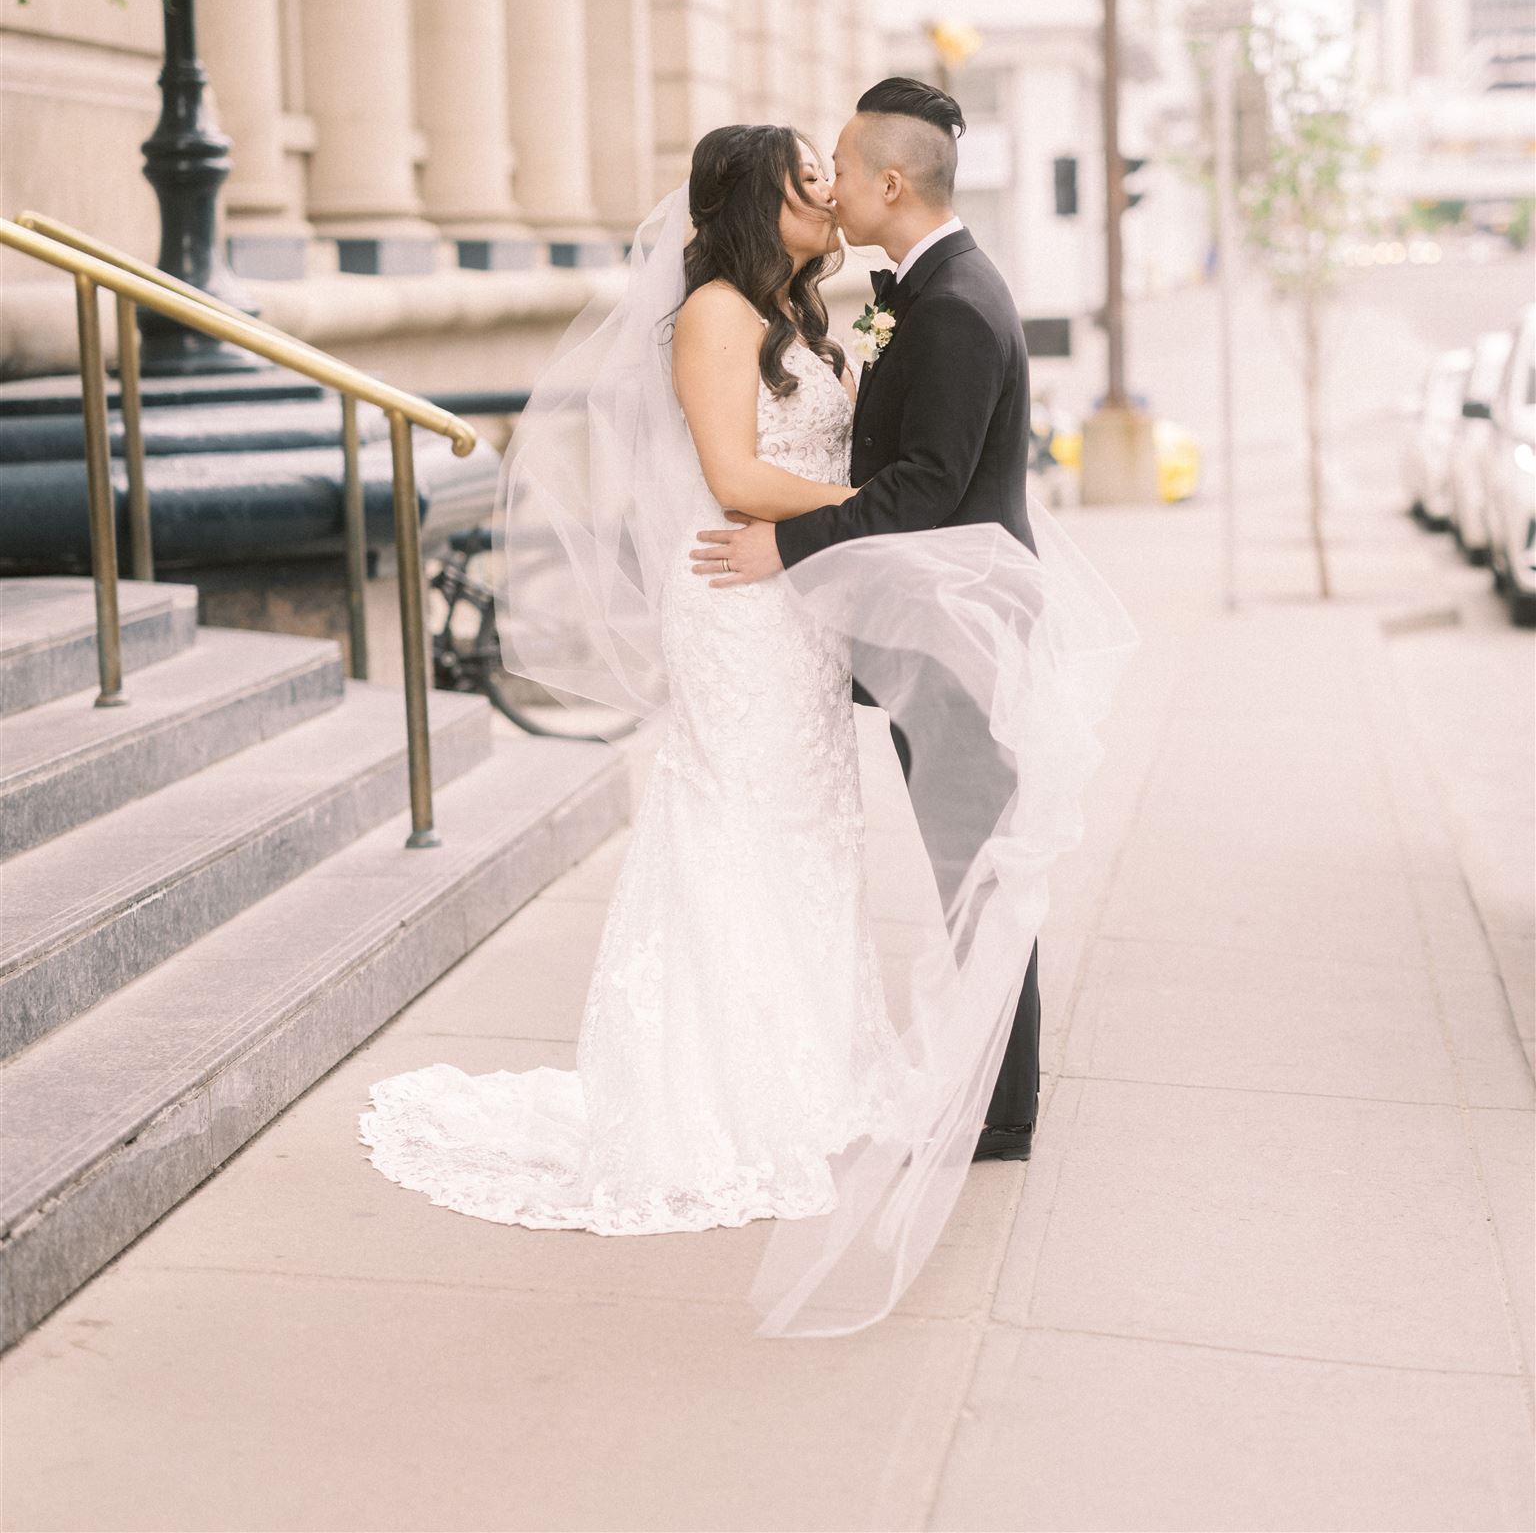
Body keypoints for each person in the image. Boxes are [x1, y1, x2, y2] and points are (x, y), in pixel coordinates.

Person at [359, 105, 1132, 1338]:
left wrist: (860, 519)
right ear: (749, 203)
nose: (824, 196)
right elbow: (733, 475)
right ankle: (717, 1093)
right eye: (801, 182)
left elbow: (896, 462)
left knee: (811, 830)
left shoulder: (810, 314)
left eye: (833, 175)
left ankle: (810, 1075)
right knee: (739, 820)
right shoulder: (719, 312)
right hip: (741, 592)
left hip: (794, 595)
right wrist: (870, 510)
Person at [689, 78, 1041, 1162]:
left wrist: (783, 543)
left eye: (838, 167)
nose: (829, 187)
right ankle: (980, 1086)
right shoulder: (918, 292)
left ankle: (1001, 1108)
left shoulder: (953, 308)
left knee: (979, 867)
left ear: (890, 180)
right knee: (963, 862)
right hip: (924, 629)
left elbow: (924, 486)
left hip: (956, 636)